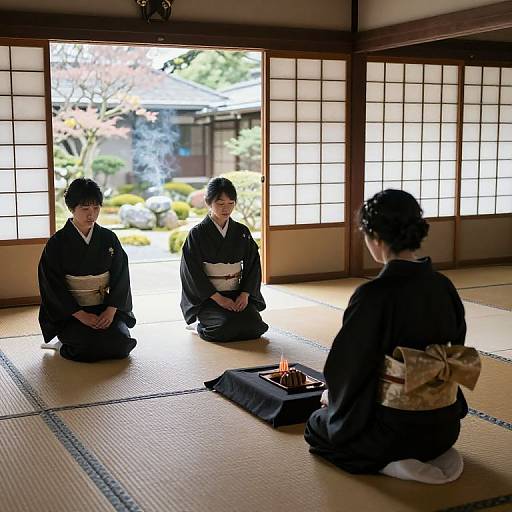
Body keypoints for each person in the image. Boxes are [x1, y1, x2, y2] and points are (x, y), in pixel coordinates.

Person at [304, 189, 480, 480]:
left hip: (394, 433)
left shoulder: (373, 295)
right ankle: (425, 454)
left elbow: (349, 369)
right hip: (445, 429)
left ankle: (390, 463)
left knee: (316, 426)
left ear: (375, 237)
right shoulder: (443, 286)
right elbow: (454, 349)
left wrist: (332, 401)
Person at [38, 178, 137, 362]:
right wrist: (81, 315)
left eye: (96, 208)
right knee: (86, 347)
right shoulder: (57, 243)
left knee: (121, 344)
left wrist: (110, 311)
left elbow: (121, 276)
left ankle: (80, 338)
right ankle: (61, 344)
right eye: (85, 209)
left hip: (104, 308)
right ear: (71, 208)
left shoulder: (109, 238)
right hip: (71, 312)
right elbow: (52, 285)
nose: (91, 214)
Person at [180, 177, 268, 342]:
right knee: (224, 328)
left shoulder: (241, 231)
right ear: (208, 203)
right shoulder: (197, 234)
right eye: (220, 203)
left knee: (256, 327)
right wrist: (219, 299)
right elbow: (192, 272)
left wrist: (245, 294)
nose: (226, 208)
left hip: (237, 293)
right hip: (209, 296)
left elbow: (253, 265)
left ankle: (232, 313)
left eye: (230, 203)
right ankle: (199, 325)